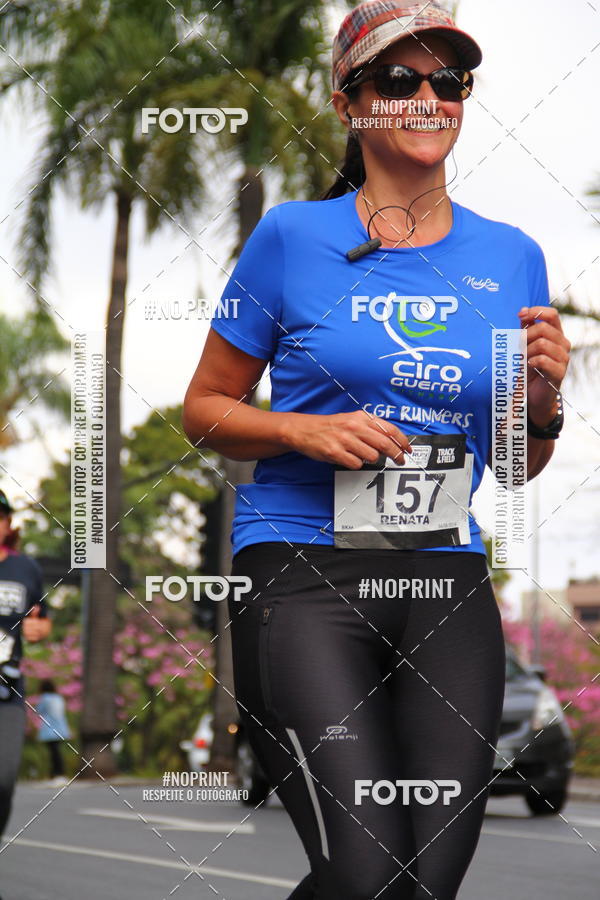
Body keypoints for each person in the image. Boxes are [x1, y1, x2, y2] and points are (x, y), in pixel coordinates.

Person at [183, 2, 570, 897]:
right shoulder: (293, 237)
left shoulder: (513, 256)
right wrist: (300, 429)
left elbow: (516, 464)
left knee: (422, 884)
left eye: (449, 81)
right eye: (398, 79)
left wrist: (544, 401)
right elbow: (203, 409)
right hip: (304, 572)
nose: (428, 98)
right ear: (349, 104)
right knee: (367, 875)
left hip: (444, 578)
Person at [0, 489, 52, 846]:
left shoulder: (25, 568)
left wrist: (38, 629)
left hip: (7, 688)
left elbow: (42, 618)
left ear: (8, 524)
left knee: (4, 779)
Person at [35, 679, 70, 784]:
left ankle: (57, 774)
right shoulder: (59, 698)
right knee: (57, 752)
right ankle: (58, 773)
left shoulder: (44, 698)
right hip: (61, 729)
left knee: (53, 753)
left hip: (50, 730)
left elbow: (38, 710)